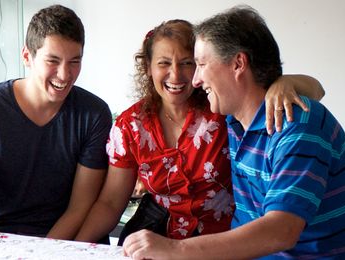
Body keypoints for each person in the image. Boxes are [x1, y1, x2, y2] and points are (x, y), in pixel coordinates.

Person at [122, 6, 345, 259]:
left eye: (199, 64)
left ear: (238, 64)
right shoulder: (234, 122)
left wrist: (173, 248)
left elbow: (282, 231)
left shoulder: (296, 125)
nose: (195, 80)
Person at [75, 19, 325, 245]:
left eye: (187, 63)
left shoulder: (223, 107)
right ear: (148, 68)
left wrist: (284, 83)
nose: (176, 74)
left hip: (227, 239)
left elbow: (316, 89)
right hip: (156, 235)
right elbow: (109, 204)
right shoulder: (130, 124)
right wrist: (71, 247)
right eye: (163, 63)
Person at [0, 4, 112, 241]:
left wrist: (43, 253)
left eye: (74, 61)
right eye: (52, 61)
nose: (65, 75)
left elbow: (80, 208)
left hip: (61, 240)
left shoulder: (94, 114)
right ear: (27, 56)